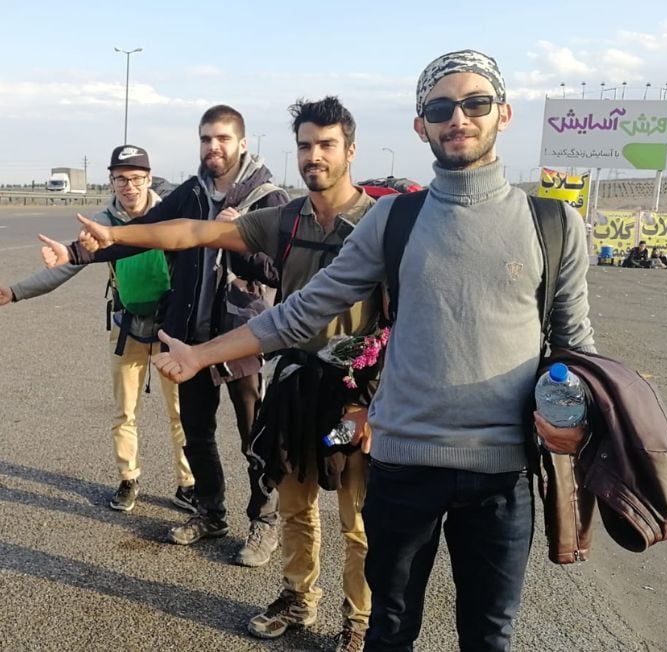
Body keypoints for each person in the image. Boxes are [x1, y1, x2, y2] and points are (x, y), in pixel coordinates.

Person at [149, 50, 597, 652]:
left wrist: (576, 418)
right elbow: (302, 311)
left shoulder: (554, 224)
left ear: (504, 113)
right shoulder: (395, 219)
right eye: (440, 107)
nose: (458, 117)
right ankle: (298, 596)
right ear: (421, 125)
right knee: (388, 628)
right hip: (404, 464)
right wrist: (203, 355)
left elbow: (574, 351)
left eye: (475, 103)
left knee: (489, 637)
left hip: (501, 475)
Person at [75, 97, 379, 651]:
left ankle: (358, 618)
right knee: (295, 500)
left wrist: (371, 403)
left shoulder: (379, 224)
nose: (315, 155)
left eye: (326, 144)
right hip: (293, 390)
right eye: (306, 145)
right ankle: (296, 597)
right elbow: (191, 232)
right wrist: (116, 237)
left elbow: (399, 317)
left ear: (349, 151)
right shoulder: (286, 220)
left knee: (354, 513)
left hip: (351, 401)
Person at [40, 105, 290, 566]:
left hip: (239, 335)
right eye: (205, 139)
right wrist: (76, 251)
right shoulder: (193, 192)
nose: (212, 147)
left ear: (242, 143)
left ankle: (264, 520)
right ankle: (210, 511)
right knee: (197, 432)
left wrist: (234, 237)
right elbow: (140, 232)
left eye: (222, 139)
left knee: (252, 434)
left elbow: (276, 270)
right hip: (186, 336)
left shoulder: (269, 199)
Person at [0, 145, 196, 513]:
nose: (128, 186)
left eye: (135, 178)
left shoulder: (170, 214)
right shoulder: (102, 221)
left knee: (180, 412)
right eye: (120, 178)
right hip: (127, 325)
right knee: (124, 410)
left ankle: (188, 484)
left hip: (171, 330)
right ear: (111, 181)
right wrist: (16, 292)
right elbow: (66, 266)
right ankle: (128, 479)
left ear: (148, 178)